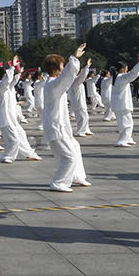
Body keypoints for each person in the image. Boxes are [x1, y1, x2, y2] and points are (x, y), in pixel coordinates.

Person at [38, 44, 91, 192]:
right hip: (56, 128)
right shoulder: (52, 85)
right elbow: (66, 77)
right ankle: (58, 182)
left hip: (61, 127)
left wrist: (73, 61)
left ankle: (77, 176)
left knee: (75, 147)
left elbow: (66, 77)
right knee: (69, 157)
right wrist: (74, 58)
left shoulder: (52, 84)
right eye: (62, 66)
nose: (63, 69)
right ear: (55, 69)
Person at [110, 54, 139, 147]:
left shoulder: (117, 77)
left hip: (119, 104)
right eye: (126, 67)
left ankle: (128, 138)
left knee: (124, 122)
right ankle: (122, 140)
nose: (127, 69)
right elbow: (133, 74)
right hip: (122, 104)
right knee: (127, 123)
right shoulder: (121, 77)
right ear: (122, 69)